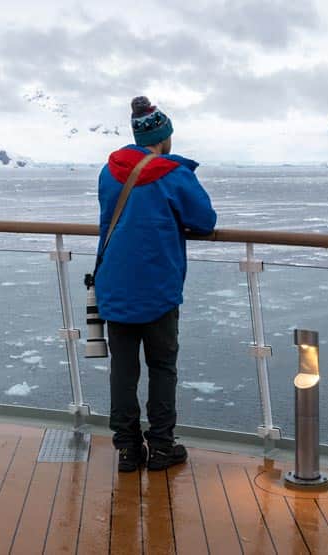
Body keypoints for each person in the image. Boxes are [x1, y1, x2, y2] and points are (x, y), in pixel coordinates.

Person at [94, 96, 217, 472]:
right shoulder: (172, 174)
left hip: (115, 284)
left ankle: (128, 449)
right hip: (158, 289)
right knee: (162, 367)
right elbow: (205, 221)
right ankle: (162, 446)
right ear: (163, 136)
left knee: (123, 369)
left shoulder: (109, 171)